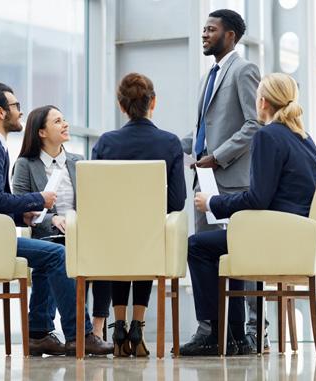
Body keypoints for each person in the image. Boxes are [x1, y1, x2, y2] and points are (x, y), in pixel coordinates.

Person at [0, 83, 113, 357]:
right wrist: (39, 199)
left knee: (49, 255)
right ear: (1, 112)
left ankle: (38, 334)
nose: (20, 111)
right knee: (56, 255)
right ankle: (80, 336)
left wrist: (22, 214)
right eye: (15, 106)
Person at [183, 72, 316, 356]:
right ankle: (236, 337)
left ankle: (215, 333)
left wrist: (213, 203)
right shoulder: (306, 141)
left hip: (274, 240)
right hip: (301, 243)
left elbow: (258, 198)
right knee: (231, 247)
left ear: (262, 102)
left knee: (197, 246)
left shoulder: (267, 136)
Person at [180, 8, 268, 354]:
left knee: (239, 258)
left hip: (231, 180)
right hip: (205, 180)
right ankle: (214, 333)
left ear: (229, 35)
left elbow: (254, 123)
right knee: (206, 258)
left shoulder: (244, 70)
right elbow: (203, 130)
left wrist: (218, 156)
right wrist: (175, 146)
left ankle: (249, 332)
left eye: (210, 29)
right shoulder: (210, 76)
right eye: (203, 28)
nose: (204, 34)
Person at [92, 72, 186, 356]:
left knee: (121, 247)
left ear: (121, 106)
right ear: (152, 102)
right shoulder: (169, 143)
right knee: (146, 239)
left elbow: (96, 198)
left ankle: (118, 326)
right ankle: (137, 326)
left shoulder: (106, 143)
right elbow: (177, 201)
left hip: (113, 239)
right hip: (152, 238)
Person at [12, 105, 112, 344]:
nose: (65, 124)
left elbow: (93, 200)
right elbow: (21, 206)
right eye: (57, 121)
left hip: (82, 231)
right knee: (56, 254)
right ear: (42, 132)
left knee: (104, 249)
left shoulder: (78, 162)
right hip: (49, 234)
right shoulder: (26, 164)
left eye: (64, 119)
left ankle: (91, 330)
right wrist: (51, 218)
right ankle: (51, 332)